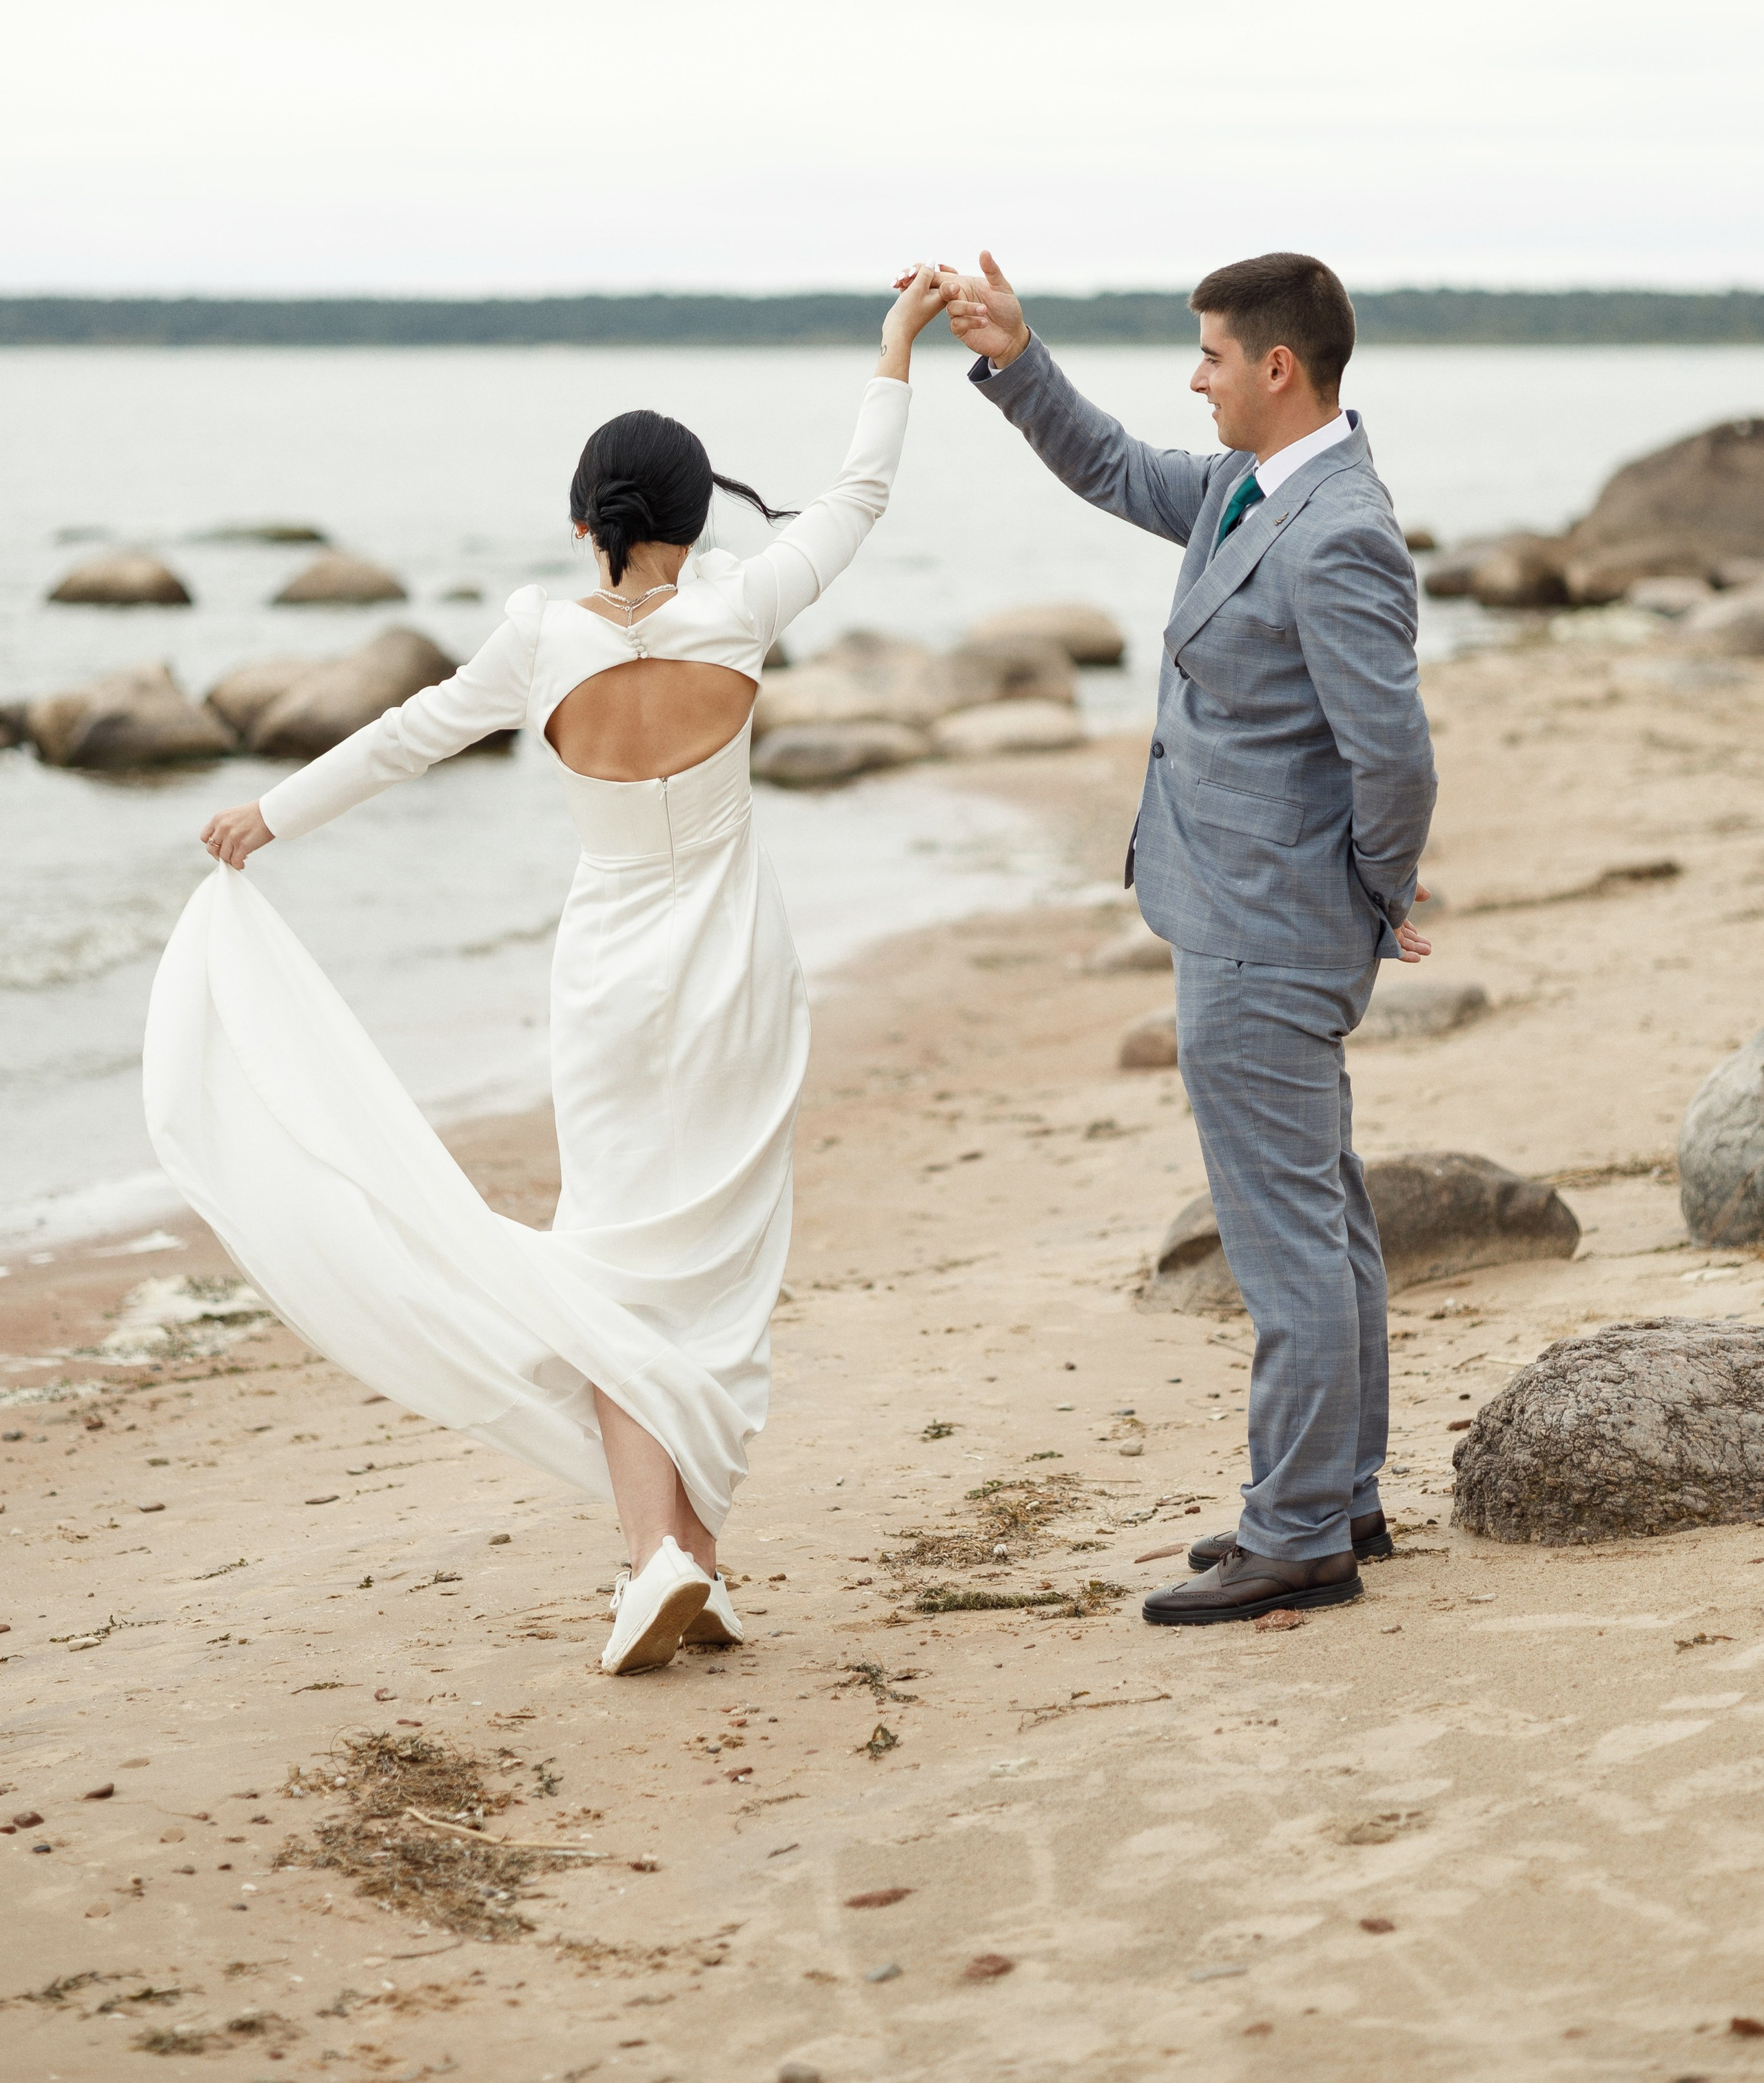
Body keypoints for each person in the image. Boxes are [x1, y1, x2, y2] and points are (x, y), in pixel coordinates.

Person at [145, 263, 948, 1676]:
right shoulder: (742, 607)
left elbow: (405, 734)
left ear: (584, 521)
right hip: (733, 975)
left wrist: (269, 815)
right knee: (707, 1262)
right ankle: (669, 1558)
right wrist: (893, 346)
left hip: (608, 979)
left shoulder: (536, 637)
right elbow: (860, 495)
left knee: (620, 1258)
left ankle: (668, 1559)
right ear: (694, 521)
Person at [938, 248, 1437, 1625]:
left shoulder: (1337, 531)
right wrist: (1013, 354)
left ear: (1278, 368)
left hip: (1272, 929)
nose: (1195, 374)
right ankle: (1334, 1496)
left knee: (1282, 1238)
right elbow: (1107, 464)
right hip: (1236, 909)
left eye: (1211, 353)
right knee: (1320, 1217)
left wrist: (1369, 896)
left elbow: (1392, 757)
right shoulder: (1241, 485)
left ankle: (1296, 1536)